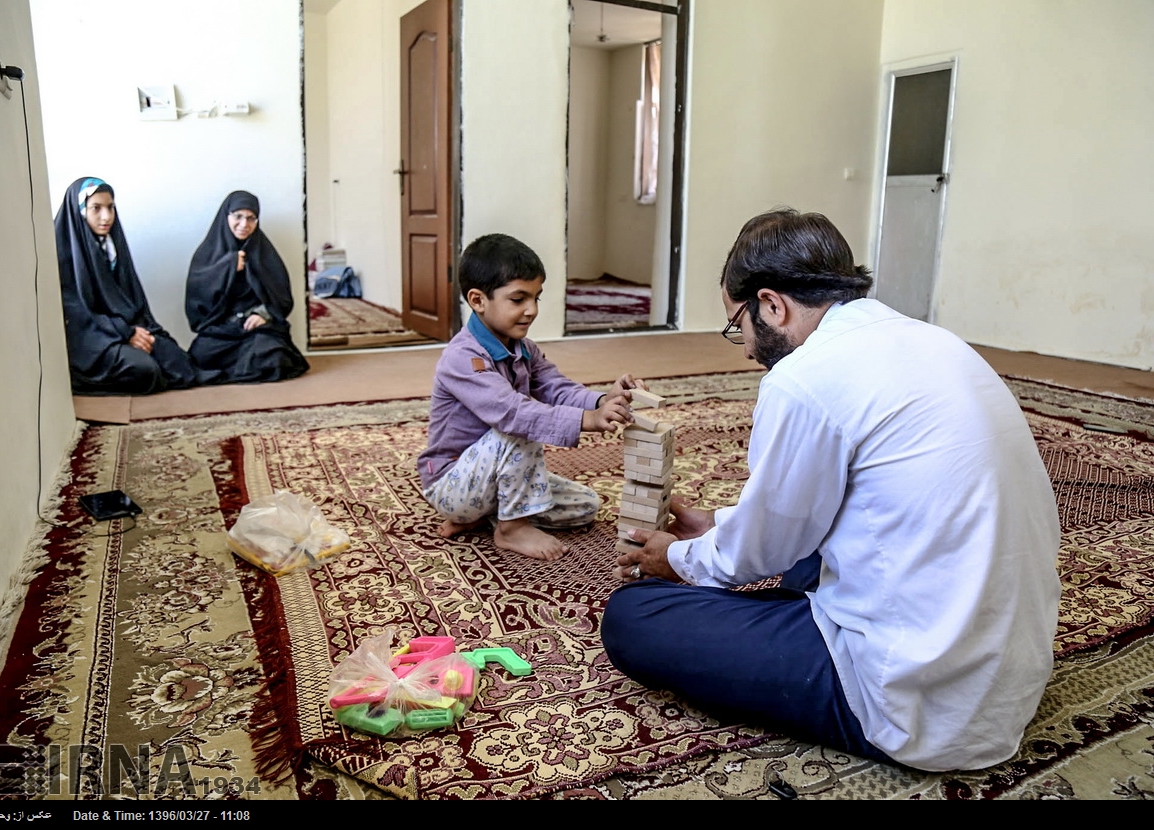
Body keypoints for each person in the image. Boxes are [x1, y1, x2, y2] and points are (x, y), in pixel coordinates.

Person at [602, 208, 1061, 772]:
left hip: (917, 702)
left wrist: (675, 557)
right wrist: (718, 525)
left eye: (737, 325)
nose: (745, 348)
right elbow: (833, 504)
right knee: (784, 551)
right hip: (1006, 676)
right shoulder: (936, 342)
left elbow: (761, 554)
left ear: (772, 305)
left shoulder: (804, 377)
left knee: (632, 615)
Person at [418, 233, 645, 562]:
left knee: (585, 506)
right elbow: (512, 414)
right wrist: (588, 421)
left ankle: (493, 514)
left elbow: (555, 386)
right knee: (521, 426)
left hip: (494, 478)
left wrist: (599, 401)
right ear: (478, 300)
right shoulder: (462, 358)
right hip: (452, 483)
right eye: (518, 299)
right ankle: (511, 528)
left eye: (536, 298)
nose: (532, 310)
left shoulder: (523, 349)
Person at [54, 177, 197, 395]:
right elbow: (77, 313)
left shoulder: (111, 246)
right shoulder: (62, 253)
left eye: (110, 208)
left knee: (179, 362)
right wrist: (124, 333)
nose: (106, 217)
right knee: (145, 371)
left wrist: (140, 331)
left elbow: (131, 299)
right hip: (94, 341)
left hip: (125, 328)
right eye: (96, 208)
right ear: (81, 210)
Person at [185, 191, 309, 385]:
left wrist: (263, 314)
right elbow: (197, 303)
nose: (244, 224)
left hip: (257, 329)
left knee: (274, 356)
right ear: (226, 216)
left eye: (251, 218)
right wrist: (226, 268)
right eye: (238, 216)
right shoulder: (207, 254)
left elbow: (282, 297)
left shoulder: (263, 251)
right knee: (200, 356)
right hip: (222, 329)